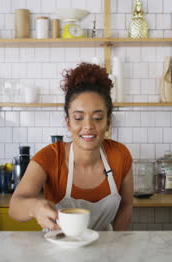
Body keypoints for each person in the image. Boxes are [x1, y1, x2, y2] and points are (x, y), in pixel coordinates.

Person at [9, 63, 133, 231]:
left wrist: (117, 243)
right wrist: (35, 208)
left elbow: (126, 205)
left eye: (97, 118)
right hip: (59, 250)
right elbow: (15, 207)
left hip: (106, 249)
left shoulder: (120, 155)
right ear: (67, 122)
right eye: (78, 118)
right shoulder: (50, 157)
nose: (88, 125)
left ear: (108, 122)